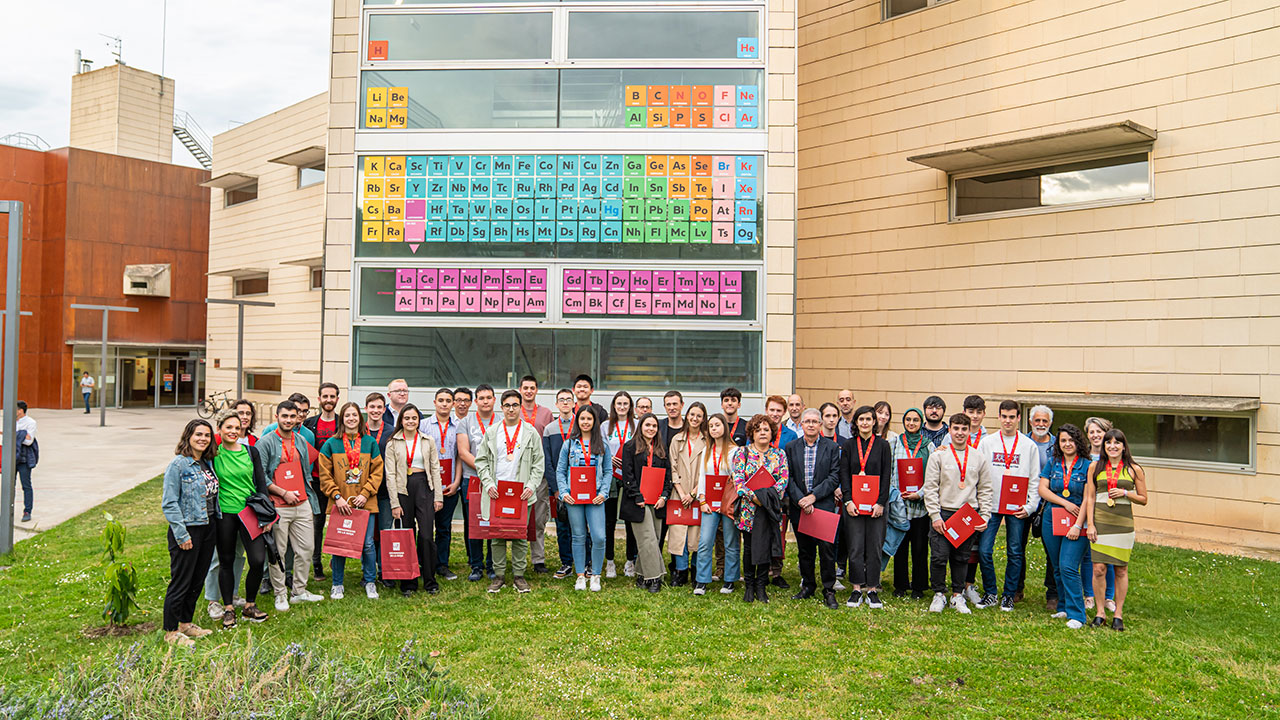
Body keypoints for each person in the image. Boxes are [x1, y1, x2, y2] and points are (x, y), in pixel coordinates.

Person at [922, 413, 995, 615]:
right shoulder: (939, 455)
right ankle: (939, 594)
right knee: (939, 556)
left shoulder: (978, 457)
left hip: (967, 515)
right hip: (943, 514)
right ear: (950, 430)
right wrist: (935, 515)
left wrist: (985, 516)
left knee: (962, 558)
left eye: (964, 429)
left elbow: (986, 489)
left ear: (969, 430)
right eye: (956, 428)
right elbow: (930, 487)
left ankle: (957, 594)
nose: (960, 433)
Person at [257, 400, 325, 611]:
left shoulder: (301, 441)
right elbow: (260, 477)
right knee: (278, 551)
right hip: (278, 505)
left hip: (302, 502)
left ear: (298, 418)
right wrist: (283, 492)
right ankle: (280, 594)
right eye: (284, 416)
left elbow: (305, 471)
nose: (288, 420)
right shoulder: (266, 442)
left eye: (292, 416)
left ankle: (299, 591)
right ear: (276, 417)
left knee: (306, 548)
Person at [475, 390, 545, 594]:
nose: (511, 409)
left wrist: (531, 486)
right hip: (497, 491)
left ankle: (519, 575)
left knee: (519, 536)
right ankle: (498, 576)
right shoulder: (492, 432)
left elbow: (538, 464)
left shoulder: (530, 432)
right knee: (497, 536)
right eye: (507, 405)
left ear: (520, 407)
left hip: (521, 493)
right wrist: (488, 484)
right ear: (502, 407)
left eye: (515, 405)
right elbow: (481, 461)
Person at [975, 400, 1041, 611]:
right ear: (999, 417)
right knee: (984, 550)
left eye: (1012, 417)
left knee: (1015, 551)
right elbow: (978, 473)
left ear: (1019, 418)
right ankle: (991, 593)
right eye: (1004, 416)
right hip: (990, 506)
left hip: (1017, 508)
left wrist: (1030, 507)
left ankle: (1009, 595)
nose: (1008, 421)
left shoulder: (1028, 445)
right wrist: (980, 503)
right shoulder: (987, 442)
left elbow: (1034, 478)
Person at [160, 419, 220, 646]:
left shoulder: (207, 463)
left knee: (197, 578)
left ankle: (186, 622)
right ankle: (170, 630)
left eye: (207, 435)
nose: (203, 439)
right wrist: (181, 534)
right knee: (181, 580)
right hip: (188, 529)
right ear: (188, 437)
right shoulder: (178, 465)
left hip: (208, 526)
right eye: (198, 434)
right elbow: (169, 503)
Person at [317, 401, 385, 600]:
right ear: (342, 419)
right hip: (341, 503)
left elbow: (377, 471)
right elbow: (325, 474)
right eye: (347, 415)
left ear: (360, 418)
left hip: (365, 501)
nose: (351, 419)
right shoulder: (331, 444)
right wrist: (337, 497)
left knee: (368, 544)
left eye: (354, 415)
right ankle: (337, 584)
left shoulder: (370, 443)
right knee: (340, 544)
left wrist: (365, 493)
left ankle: (370, 581)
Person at [210, 412, 270, 628]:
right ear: (220, 429)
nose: (233, 431)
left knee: (257, 560)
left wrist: (267, 515)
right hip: (224, 514)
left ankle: (249, 605)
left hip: (250, 512)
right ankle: (228, 608)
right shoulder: (213, 454)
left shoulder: (250, 451)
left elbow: (261, 484)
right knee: (226, 560)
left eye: (237, 428)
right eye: (229, 427)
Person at [1086, 429, 1147, 631]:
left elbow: (1144, 499)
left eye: (1117, 443)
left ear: (1123, 446)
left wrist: (1124, 493)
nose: (1113, 446)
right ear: (1104, 446)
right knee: (1098, 569)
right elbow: (1091, 497)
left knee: (1121, 569)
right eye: (1108, 443)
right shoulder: (1095, 467)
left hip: (1122, 525)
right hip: (1100, 522)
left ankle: (1118, 614)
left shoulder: (1133, 469)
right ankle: (1100, 612)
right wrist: (1090, 524)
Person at [385, 403, 444, 597]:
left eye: (414, 418)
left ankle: (429, 580)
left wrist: (438, 496)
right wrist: (394, 502)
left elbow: (435, 469)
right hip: (403, 489)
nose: (411, 421)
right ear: (401, 420)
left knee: (427, 535)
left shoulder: (428, 441)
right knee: (407, 535)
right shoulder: (393, 442)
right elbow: (390, 474)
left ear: (419, 420)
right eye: (407, 418)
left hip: (424, 487)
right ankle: (408, 582)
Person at [785, 408, 841, 609]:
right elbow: (788, 477)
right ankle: (808, 585)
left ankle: (829, 589)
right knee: (805, 550)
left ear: (820, 425)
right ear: (801, 425)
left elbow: (834, 476)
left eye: (814, 421)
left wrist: (813, 497)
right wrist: (801, 499)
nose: (810, 424)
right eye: (807, 421)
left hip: (822, 505)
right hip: (799, 506)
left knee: (826, 550)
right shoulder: (791, 447)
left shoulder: (832, 448)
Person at [1037, 423, 1092, 629]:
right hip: (1053, 517)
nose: (1067, 444)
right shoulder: (1053, 463)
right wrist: (1064, 502)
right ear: (1058, 443)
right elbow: (1043, 489)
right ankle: (1064, 607)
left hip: (1078, 520)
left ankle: (1078, 614)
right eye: (1063, 440)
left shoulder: (1088, 465)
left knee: (1069, 566)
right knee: (1058, 567)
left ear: (1078, 442)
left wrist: (1078, 525)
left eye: (1071, 440)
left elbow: (1088, 498)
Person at [729, 415, 788, 603]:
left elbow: (783, 480)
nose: (762, 433)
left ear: (772, 433)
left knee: (765, 546)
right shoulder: (742, 453)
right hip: (749, 508)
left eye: (766, 430)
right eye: (758, 430)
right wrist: (754, 497)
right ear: (751, 434)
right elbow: (738, 480)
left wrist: (765, 498)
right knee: (749, 547)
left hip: (769, 509)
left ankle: (761, 586)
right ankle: (749, 585)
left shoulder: (779, 455)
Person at [839, 405, 893, 609]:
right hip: (853, 505)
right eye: (860, 419)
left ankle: (871, 589)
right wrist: (848, 501)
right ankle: (855, 588)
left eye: (868, 419)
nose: (864, 423)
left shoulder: (883, 446)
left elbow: (887, 476)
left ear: (874, 422)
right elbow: (844, 475)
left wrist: (881, 503)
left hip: (876, 507)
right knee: (855, 547)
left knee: (874, 547)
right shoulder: (849, 446)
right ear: (856, 423)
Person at [556, 404, 613, 592]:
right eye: (582, 419)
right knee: (578, 536)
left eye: (589, 419)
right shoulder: (569, 444)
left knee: (599, 536)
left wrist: (603, 493)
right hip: (574, 498)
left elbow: (607, 471)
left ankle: (595, 575)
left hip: (595, 497)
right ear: (577, 421)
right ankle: (580, 575)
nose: (586, 422)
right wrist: (564, 492)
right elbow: (561, 470)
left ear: (595, 421)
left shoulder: (602, 445)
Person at [619, 413, 672, 592]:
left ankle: (641, 575)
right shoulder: (630, 447)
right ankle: (654, 577)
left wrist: (664, 496)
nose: (651, 429)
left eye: (654, 426)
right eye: (647, 425)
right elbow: (628, 475)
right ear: (641, 426)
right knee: (647, 538)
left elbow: (668, 476)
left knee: (654, 538)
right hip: (637, 501)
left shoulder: (661, 449)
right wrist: (637, 496)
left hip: (657, 501)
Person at [693, 413, 741, 596]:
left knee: (730, 541)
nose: (714, 429)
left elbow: (737, 479)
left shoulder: (735, 451)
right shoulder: (706, 450)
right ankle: (702, 580)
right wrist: (702, 500)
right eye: (711, 426)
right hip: (709, 504)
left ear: (724, 428)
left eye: (717, 425)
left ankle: (730, 580)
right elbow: (702, 477)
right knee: (705, 541)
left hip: (728, 503)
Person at [890, 408, 932, 600]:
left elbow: (933, 475)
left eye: (916, 420)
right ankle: (900, 585)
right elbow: (890, 471)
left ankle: (919, 586)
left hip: (920, 507)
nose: (912, 423)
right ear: (904, 421)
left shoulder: (928, 446)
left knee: (920, 548)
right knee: (899, 547)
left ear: (921, 423)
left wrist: (920, 493)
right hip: (900, 505)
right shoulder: (895, 443)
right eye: (908, 419)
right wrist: (896, 493)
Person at [457, 385, 497, 581]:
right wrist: (484, 472)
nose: (485, 401)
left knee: (492, 522)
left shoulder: (502, 421)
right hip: (471, 478)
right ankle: (476, 565)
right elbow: (463, 452)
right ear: (476, 401)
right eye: (481, 398)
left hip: (496, 480)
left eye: (489, 397)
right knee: (474, 523)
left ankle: (491, 565)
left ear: (494, 400)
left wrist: (490, 475)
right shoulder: (466, 422)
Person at [667, 402, 708, 587]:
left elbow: (706, 469)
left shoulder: (707, 440)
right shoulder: (677, 439)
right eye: (692, 414)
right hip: (679, 493)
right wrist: (682, 492)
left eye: (699, 415)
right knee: (679, 534)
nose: (694, 418)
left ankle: (696, 570)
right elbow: (672, 467)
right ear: (687, 415)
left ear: (703, 418)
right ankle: (680, 571)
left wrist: (693, 493)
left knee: (696, 534)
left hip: (699, 494)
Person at [304, 383, 342, 579]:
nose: (328, 400)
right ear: (319, 399)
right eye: (325, 396)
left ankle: (337, 563)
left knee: (339, 523)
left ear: (337, 399)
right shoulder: (310, 424)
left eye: (332, 396)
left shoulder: (342, 423)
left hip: (339, 483)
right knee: (317, 523)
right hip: (317, 481)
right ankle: (316, 562)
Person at [423, 388, 462, 580]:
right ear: (434, 402)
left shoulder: (459, 426)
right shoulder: (423, 425)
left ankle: (442, 564)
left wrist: (456, 482)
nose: (445, 404)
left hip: (450, 486)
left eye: (448, 400)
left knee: (444, 528)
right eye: (441, 400)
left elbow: (460, 457)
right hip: (428, 485)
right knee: (425, 527)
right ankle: (423, 563)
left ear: (453, 404)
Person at [517, 376, 553, 573]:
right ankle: (518, 558)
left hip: (539, 473)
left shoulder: (546, 414)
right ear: (520, 390)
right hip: (518, 473)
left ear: (537, 390)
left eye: (532, 388)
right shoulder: (514, 411)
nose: (529, 391)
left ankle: (538, 559)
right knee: (519, 517)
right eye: (525, 388)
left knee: (539, 517)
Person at [1083, 415, 1117, 612]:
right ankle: (1089, 595)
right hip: (1088, 510)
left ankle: (1108, 597)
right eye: (1092, 432)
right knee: (1089, 556)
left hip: (1108, 511)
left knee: (1109, 555)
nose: (1096, 435)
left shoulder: (1114, 458)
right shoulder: (1084, 458)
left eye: (1099, 431)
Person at [764, 395, 798, 588]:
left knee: (779, 532)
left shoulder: (790, 435)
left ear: (783, 413)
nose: (775, 414)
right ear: (766, 410)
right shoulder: (758, 430)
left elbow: (792, 465)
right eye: (772, 410)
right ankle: (762, 568)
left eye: (779, 411)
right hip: (761, 493)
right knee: (762, 530)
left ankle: (776, 572)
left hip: (782, 493)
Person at [602, 391, 638, 579]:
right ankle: (609, 561)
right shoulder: (605, 426)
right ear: (614, 406)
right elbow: (599, 448)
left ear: (630, 406)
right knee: (609, 521)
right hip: (611, 476)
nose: (622, 407)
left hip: (631, 476)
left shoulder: (637, 425)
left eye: (625, 404)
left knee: (630, 520)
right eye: (619, 403)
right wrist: (610, 459)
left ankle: (630, 560)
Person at [543, 388, 577, 579]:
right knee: (562, 526)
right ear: (556, 404)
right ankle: (566, 563)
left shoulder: (581, 425)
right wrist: (556, 488)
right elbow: (547, 462)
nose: (565, 403)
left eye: (568, 399)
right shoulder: (550, 429)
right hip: (558, 488)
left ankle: (585, 562)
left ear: (573, 403)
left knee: (580, 527)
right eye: (561, 400)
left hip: (580, 486)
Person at [365, 392, 395, 587]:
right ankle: (367, 572)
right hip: (364, 492)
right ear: (366, 409)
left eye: (379, 407)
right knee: (366, 536)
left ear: (384, 410)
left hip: (384, 491)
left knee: (385, 533)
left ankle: (385, 572)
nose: (375, 411)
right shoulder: (358, 430)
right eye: (372, 407)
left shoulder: (392, 431)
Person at [1028, 404, 1056, 609]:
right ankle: (1016, 590)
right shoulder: (1021, 442)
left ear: (1050, 423)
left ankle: (1053, 594)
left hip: (1048, 503)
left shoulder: (1058, 444)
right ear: (1030, 421)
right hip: (1022, 501)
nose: (1040, 424)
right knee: (1016, 547)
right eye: (1037, 420)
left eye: (1044, 421)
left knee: (1051, 550)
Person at [14, 402, 36, 522]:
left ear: (21, 410)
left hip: (24, 458)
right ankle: (7, 510)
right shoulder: (12, 421)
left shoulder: (31, 422)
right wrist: (22, 435)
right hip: (11, 457)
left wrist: (16, 435)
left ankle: (27, 510)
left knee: (26, 485)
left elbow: (29, 441)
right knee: (9, 486)